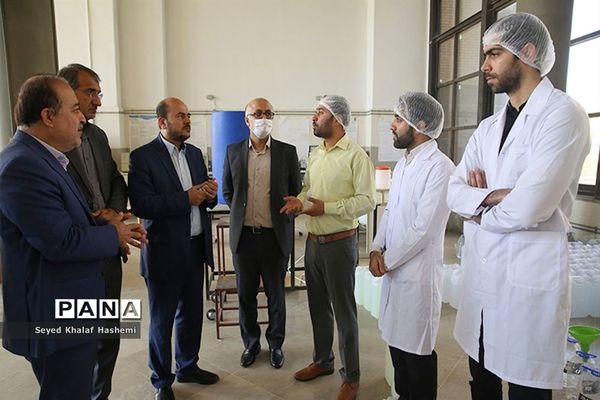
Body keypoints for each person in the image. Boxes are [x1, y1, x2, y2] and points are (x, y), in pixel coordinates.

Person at [446, 13, 590, 400]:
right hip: (482, 282)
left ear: (526, 52)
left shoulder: (563, 115)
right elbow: (453, 191)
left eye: (494, 54)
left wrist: (477, 208)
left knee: (527, 391)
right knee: (482, 382)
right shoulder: (487, 128)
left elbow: (529, 207)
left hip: (527, 284)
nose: (484, 65)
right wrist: (495, 195)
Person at [0, 74, 146, 400]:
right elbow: (60, 242)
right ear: (48, 116)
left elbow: (61, 221)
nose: (82, 117)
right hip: (54, 314)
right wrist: (113, 234)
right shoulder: (23, 165)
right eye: (74, 109)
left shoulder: (46, 158)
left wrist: (106, 223)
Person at [281, 94, 375, 400]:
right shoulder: (317, 154)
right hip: (313, 244)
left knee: (344, 314)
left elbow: (367, 201)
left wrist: (328, 209)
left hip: (339, 244)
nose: (314, 117)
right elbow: (309, 189)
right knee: (318, 307)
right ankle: (323, 361)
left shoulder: (356, 156)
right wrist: (300, 201)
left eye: (319, 112)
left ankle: (351, 377)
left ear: (336, 119)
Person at [128, 97, 220, 400]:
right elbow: (142, 204)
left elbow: (201, 197)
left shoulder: (194, 154)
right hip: (163, 252)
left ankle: (188, 366)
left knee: (191, 314)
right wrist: (186, 198)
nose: (188, 120)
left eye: (188, 115)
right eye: (181, 116)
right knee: (162, 320)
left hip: (195, 248)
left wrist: (209, 195)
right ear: (162, 122)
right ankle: (162, 381)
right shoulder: (143, 157)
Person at [369, 92, 454, 400]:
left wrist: (387, 259)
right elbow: (391, 211)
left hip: (417, 277)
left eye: (398, 119)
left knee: (417, 357)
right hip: (394, 272)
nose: (391, 125)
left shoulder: (440, 167)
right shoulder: (405, 163)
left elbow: (424, 229)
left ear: (420, 124)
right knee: (398, 353)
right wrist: (376, 248)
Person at [57, 63, 128, 400]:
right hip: (77, 258)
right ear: (65, 92)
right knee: (77, 341)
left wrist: (113, 211)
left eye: (99, 93)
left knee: (108, 335)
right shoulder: (53, 141)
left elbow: (115, 179)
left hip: (108, 255)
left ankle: (102, 395)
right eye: (90, 92)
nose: (98, 101)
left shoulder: (98, 136)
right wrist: (100, 221)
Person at [222, 98, 302, 369]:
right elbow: (229, 192)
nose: (263, 118)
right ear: (247, 120)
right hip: (244, 238)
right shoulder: (233, 151)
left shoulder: (287, 152)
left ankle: (276, 344)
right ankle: (251, 343)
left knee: (276, 296)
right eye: (257, 113)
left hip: (274, 237)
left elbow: (295, 189)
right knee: (245, 295)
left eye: (268, 113)